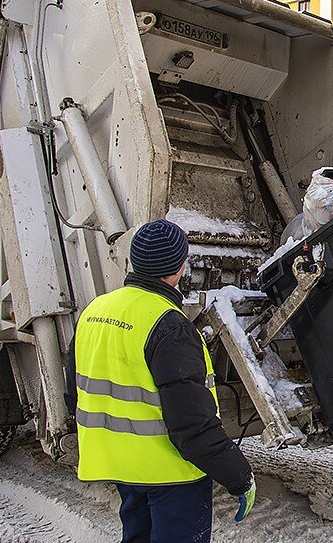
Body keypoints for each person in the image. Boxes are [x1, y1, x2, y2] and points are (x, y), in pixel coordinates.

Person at [65, 219, 255, 543]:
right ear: (180, 268)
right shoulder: (170, 326)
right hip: (172, 475)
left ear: (133, 261)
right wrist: (239, 476)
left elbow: (74, 394)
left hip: (123, 467)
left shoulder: (94, 311)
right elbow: (192, 425)